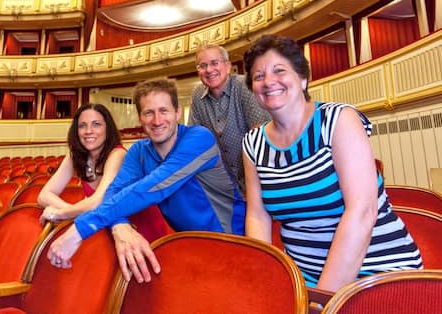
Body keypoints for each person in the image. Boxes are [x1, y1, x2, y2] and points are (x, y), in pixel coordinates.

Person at [241, 35, 422, 292]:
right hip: (302, 277)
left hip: (378, 271)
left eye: (279, 70)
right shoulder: (253, 143)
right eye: (258, 76)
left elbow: (362, 212)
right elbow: (257, 216)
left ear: (303, 78)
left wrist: (322, 299)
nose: (269, 81)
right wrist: (267, 280)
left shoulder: (338, 120)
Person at [47, 78, 245, 283]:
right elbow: (112, 194)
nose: (157, 120)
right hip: (188, 248)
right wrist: (120, 225)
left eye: (164, 111)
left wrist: (80, 228)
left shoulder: (199, 138)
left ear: (177, 113)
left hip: (232, 243)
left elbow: (153, 187)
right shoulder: (139, 151)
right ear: (140, 117)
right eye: (149, 113)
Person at [37, 103, 170, 242]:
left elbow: (98, 203)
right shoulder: (74, 156)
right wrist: (74, 211)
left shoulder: (118, 154)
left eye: (96, 124)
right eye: (82, 125)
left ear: (108, 128)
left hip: (141, 231)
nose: (88, 131)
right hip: (108, 230)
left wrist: (60, 213)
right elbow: (43, 196)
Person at [189, 43, 270, 192]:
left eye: (215, 63)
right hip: (223, 186)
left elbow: (260, 136)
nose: (209, 70)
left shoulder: (244, 86)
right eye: (203, 65)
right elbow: (195, 141)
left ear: (227, 66)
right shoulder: (197, 95)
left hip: (258, 179)